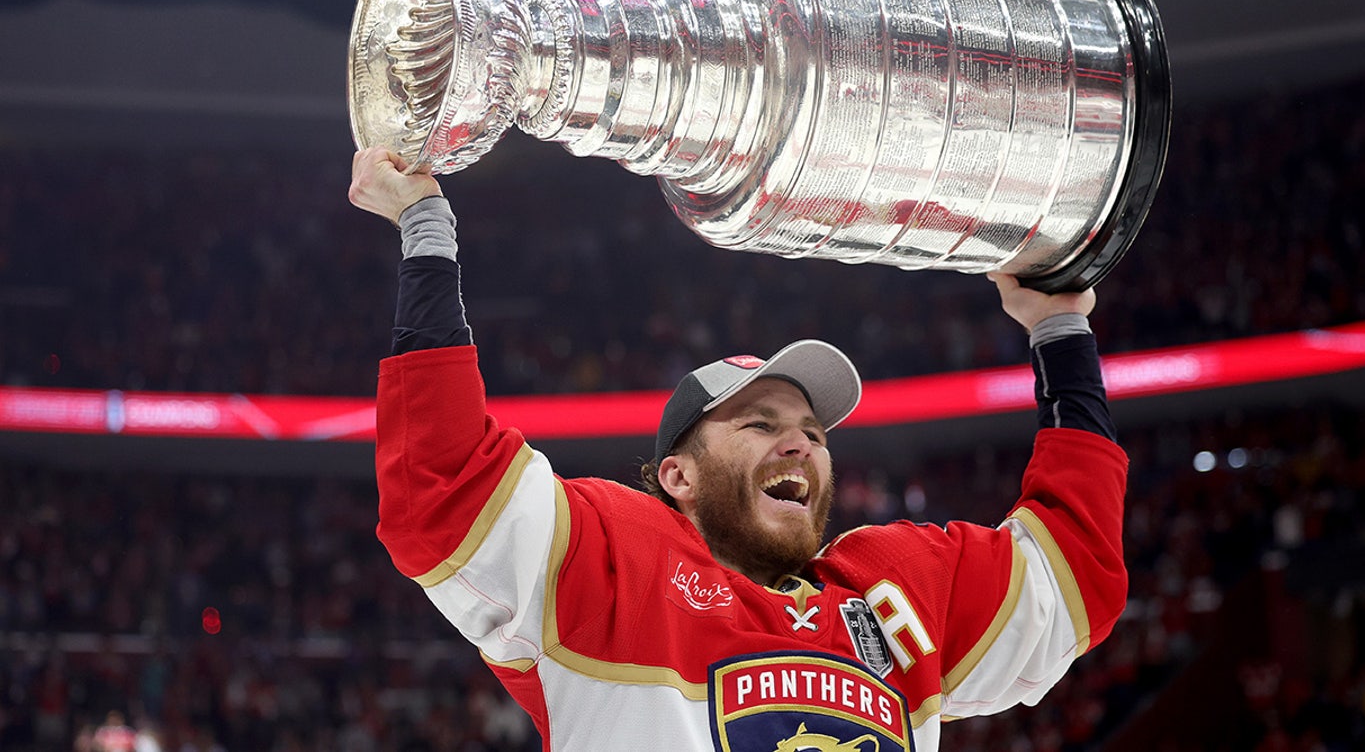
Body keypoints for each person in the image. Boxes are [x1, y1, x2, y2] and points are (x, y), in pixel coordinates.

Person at [349, 147, 1128, 752]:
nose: (799, 443)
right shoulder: (615, 566)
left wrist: (1060, 327)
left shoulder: (896, 594)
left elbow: (1071, 575)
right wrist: (425, 226)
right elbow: (444, 486)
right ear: (676, 476)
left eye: (815, 434)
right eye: (759, 425)